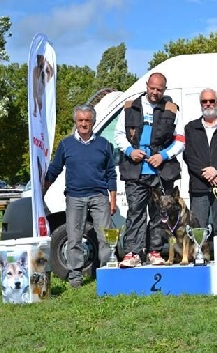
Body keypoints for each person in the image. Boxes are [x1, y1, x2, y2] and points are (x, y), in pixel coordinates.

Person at [115, 72, 185, 267]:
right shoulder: (130, 107)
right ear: (146, 86)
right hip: (135, 170)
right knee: (135, 213)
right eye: (152, 88)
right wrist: (130, 151)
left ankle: (155, 252)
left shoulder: (171, 109)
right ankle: (132, 253)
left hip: (161, 172)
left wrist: (163, 156)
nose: (155, 93)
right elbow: (119, 134)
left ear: (164, 89)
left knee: (159, 214)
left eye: (159, 89)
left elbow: (180, 140)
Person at [44, 104, 117, 288]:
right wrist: (41, 192)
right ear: (75, 122)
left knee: (105, 237)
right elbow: (54, 170)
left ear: (93, 122)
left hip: (99, 196)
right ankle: (75, 275)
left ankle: (106, 272)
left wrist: (112, 200)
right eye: (80, 120)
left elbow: (111, 174)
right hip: (75, 197)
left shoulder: (104, 145)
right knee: (74, 237)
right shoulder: (66, 144)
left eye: (87, 120)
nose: (84, 124)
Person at [183, 88, 217, 234]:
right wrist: (207, 173)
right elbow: (189, 155)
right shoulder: (191, 128)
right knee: (198, 230)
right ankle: (200, 257)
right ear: (200, 104)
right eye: (204, 101)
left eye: (211, 101)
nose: (208, 104)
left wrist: (216, 170)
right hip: (199, 186)